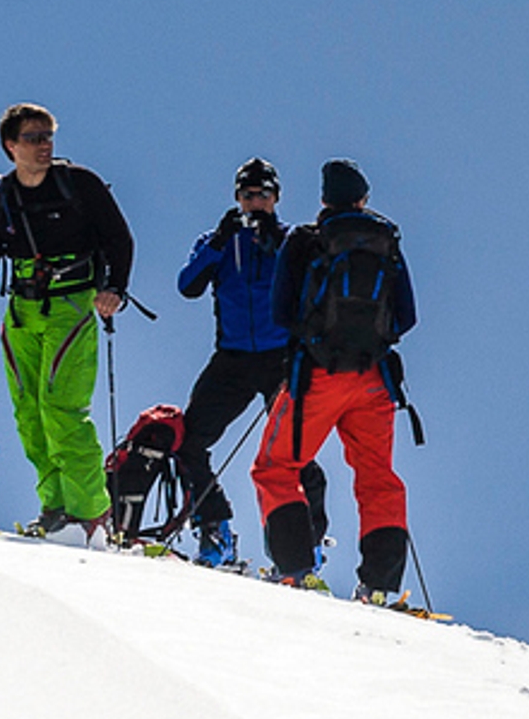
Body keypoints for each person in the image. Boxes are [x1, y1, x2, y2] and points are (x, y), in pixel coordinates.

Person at [0, 104, 132, 539]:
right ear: (11, 146)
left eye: (48, 136)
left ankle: (89, 513)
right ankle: (55, 507)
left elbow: (119, 238)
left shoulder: (80, 184)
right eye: (33, 138)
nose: (44, 145)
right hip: (21, 313)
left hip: (72, 304)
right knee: (29, 413)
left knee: (61, 409)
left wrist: (115, 289)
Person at [252, 158, 418, 603]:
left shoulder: (306, 240)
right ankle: (379, 586)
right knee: (377, 477)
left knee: (276, 467)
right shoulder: (386, 239)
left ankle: (295, 569)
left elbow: (280, 311)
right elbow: (407, 316)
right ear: (363, 198)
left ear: (325, 198)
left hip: (317, 376)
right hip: (374, 378)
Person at [166, 157, 297, 568]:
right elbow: (188, 286)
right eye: (248, 195)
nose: (255, 202)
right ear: (237, 198)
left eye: (263, 194)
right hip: (233, 358)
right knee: (188, 442)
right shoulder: (218, 240)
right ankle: (215, 529)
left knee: (296, 452)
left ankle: (302, 549)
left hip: (281, 358)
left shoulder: (293, 240)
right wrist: (220, 242)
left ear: (276, 197)